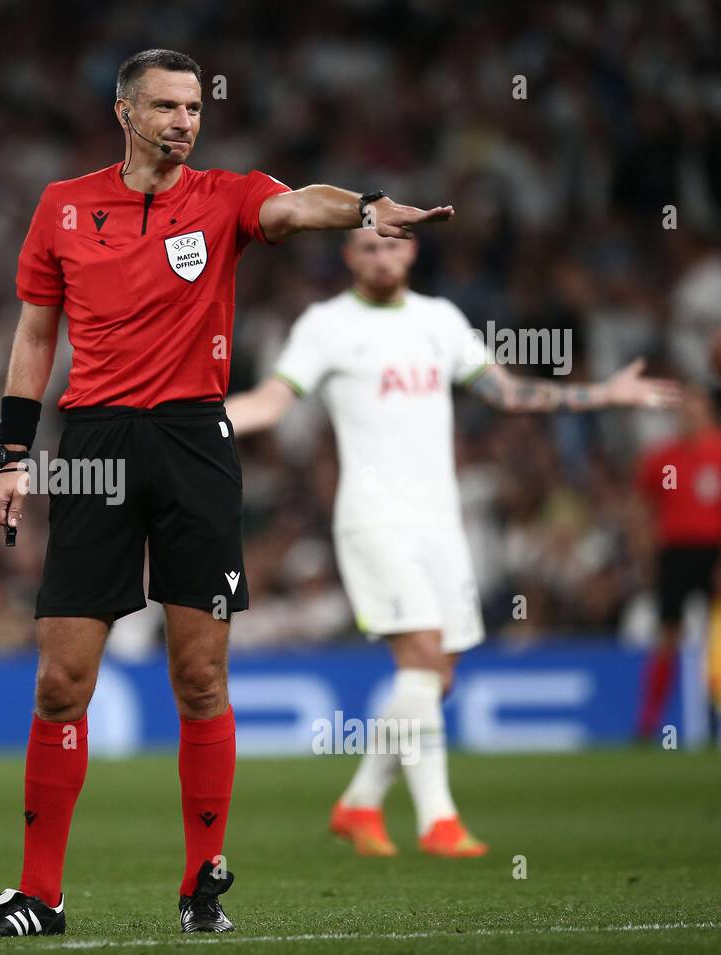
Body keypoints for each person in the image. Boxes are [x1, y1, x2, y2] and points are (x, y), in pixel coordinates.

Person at [0, 48, 455, 937]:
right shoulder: (62, 206)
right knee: (61, 682)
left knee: (199, 676)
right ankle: (40, 894)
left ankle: (202, 886)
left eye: (193, 107)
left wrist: (366, 207)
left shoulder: (227, 196)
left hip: (195, 440)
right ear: (124, 112)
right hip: (95, 447)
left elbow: (296, 205)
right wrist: (11, 455)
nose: (184, 121)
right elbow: (36, 336)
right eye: (165, 106)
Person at [226, 226, 678, 857]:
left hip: (441, 520)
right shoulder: (325, 325)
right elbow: (271, 403)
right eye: (368, 246)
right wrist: (192, 423)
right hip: (372, 517)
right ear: (350, 256)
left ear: (411, 251)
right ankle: (439, 820)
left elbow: (507, 393)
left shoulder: (439, 319)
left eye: (392, 245)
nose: (382, 256)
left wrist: (603, 394)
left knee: (437, 676)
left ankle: (359, 803)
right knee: (422, 656)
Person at [633, 384, 721, 741]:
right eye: (684, 407)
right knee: (668, 634)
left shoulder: (717, 452)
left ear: (709, 411)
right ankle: (649, 722)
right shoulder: (662, 458)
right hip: (676, 553)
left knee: (717, 634)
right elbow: (642, 507)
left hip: (715, 551)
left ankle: (713, 716)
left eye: (695, 407)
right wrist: (645, 551)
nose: (688, 414)